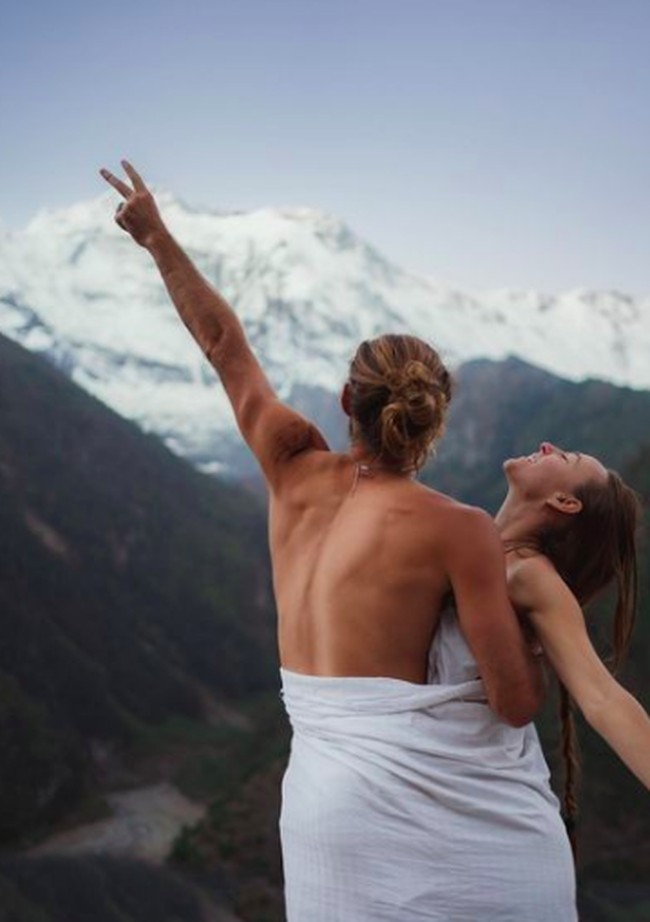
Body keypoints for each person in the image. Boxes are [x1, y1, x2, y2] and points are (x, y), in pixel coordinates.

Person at [100, 161, 572, 922]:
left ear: (348, 399)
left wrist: (156, 236)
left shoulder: (289, 467)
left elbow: (223, 344)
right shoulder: (460, 530)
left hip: (320, 811)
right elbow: (513, 703)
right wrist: (544, 635)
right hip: (409, 810)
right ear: (433, 421)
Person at [495, 442, 650, 848]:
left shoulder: (532, 576)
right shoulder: (472, 549)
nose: (548, 446)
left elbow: (601, 697)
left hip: (494, 825)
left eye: (564, 458)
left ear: (563, 501)